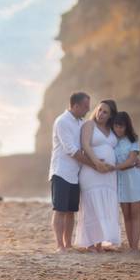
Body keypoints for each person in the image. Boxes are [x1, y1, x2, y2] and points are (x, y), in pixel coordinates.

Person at [48, 93, 110, 253]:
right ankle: (59, 246)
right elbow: (72, 151)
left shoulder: (81, 122)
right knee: (60, 209)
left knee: (70, 211)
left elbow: (88, 144)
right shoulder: (62, 122)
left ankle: (68, 244)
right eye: (85, 106)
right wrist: (95, 164)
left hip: (75, 174)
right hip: (61, 172)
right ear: (75, 106)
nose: (88, 109)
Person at [74, 100, 121, 252]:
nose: (101, 114)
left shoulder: (112, 129)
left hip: (109, 176)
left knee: (105, 206)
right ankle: (89, 243)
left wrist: (135, 159)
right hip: (92, 173)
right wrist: (97, 164)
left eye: (105, 112)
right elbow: (85, 145)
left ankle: (99, 243)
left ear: (111, 115)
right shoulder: (89, 125)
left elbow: (120, 146)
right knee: (92, 205)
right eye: (99, 110)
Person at [113, 112, 140, 251]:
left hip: (133, 177)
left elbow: (132, 160)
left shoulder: (133, 139)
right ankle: (131, 244)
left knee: (135, 213)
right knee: (126, 214)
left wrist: (114, 167)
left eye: (121, 126)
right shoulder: (112, 140)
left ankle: (135, 247)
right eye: (116, 126)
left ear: (127, 126)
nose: (119, 129)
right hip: (121, 179)